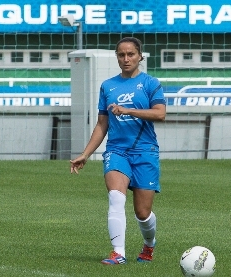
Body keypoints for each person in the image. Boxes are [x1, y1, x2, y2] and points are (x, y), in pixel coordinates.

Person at [69, 37, 166, 265]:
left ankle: (148, 246)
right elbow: (102, 123)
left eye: (130, 54)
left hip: (145, 151)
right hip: (116, 151)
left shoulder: (151, 83)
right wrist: (86, 153)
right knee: (115, 197)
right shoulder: (108, 86)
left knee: (143, 214)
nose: (126, 59)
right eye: (121, 55)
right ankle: (118, 252)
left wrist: (129, 111)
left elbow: (160, 113)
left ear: (140, 56)